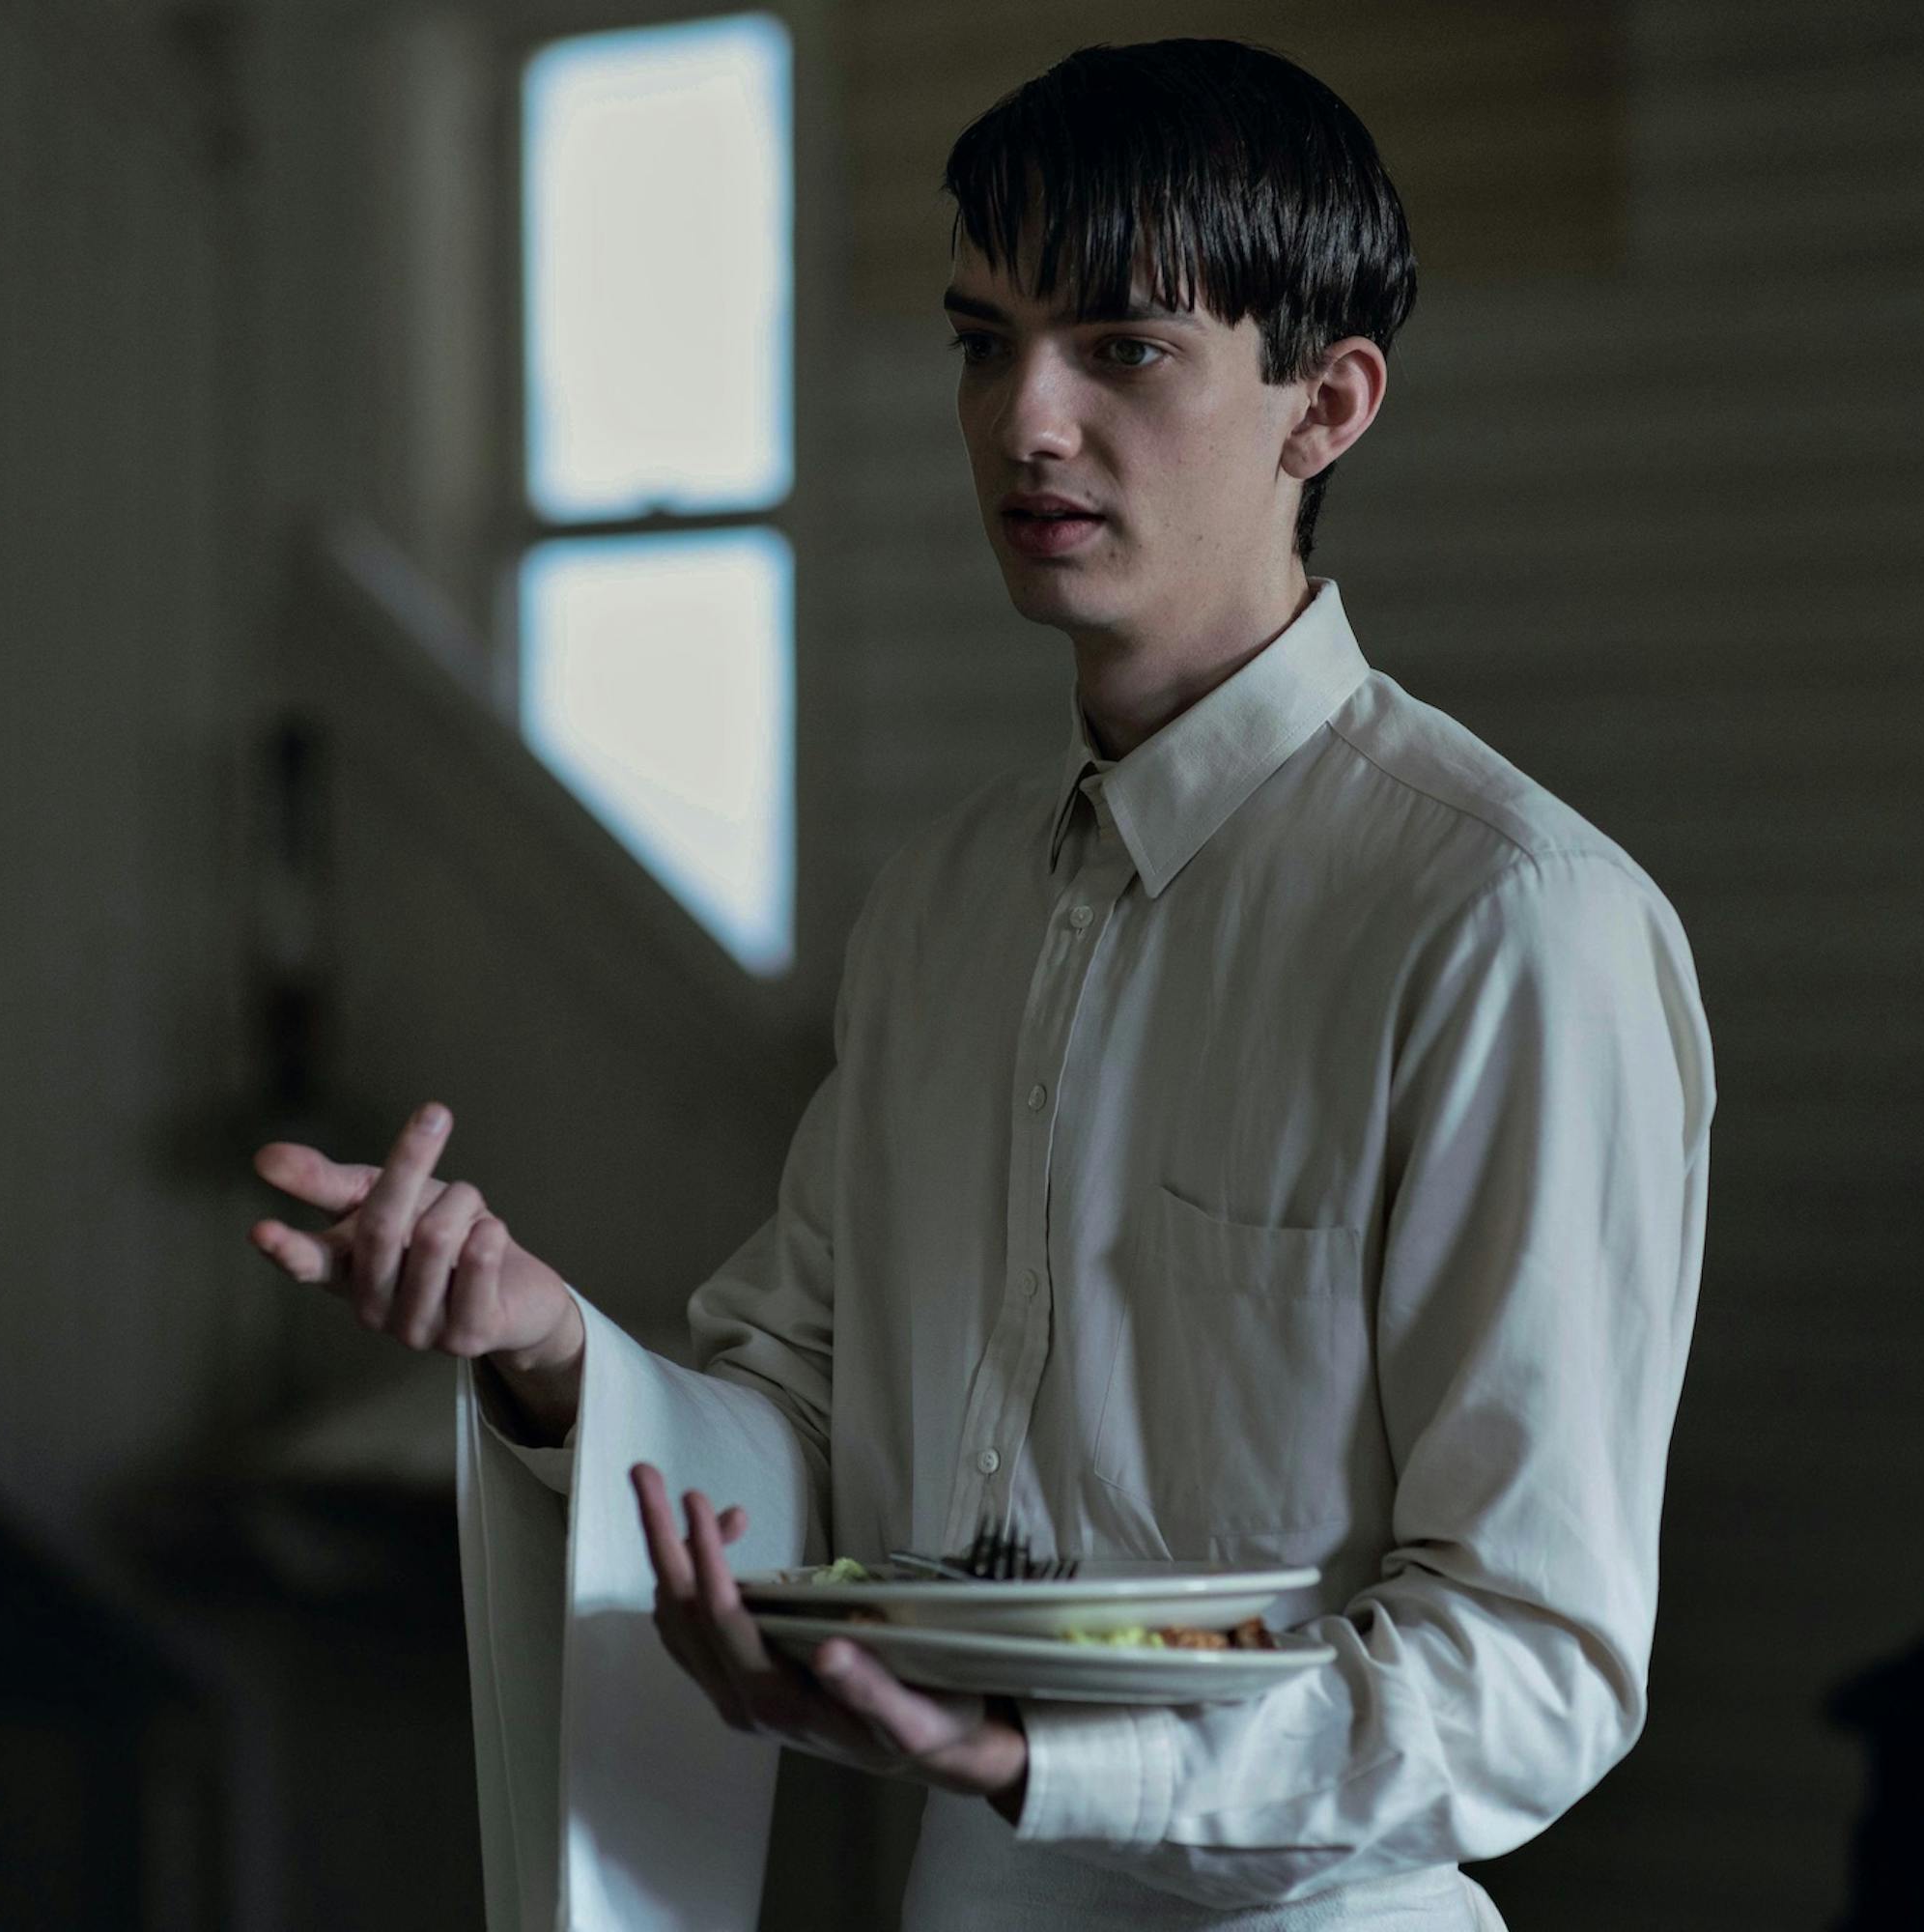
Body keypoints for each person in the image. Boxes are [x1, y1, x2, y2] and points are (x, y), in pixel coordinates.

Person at [249, 38, 1712, 1932]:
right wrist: (541, 1346)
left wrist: (1052, 1758)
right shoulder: (942, 910)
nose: (1023, 418)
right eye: (977, 338)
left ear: (1324, 402)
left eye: (1119, 346)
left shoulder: (1508, 921)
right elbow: (807, 1436)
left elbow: (1532, 1668)